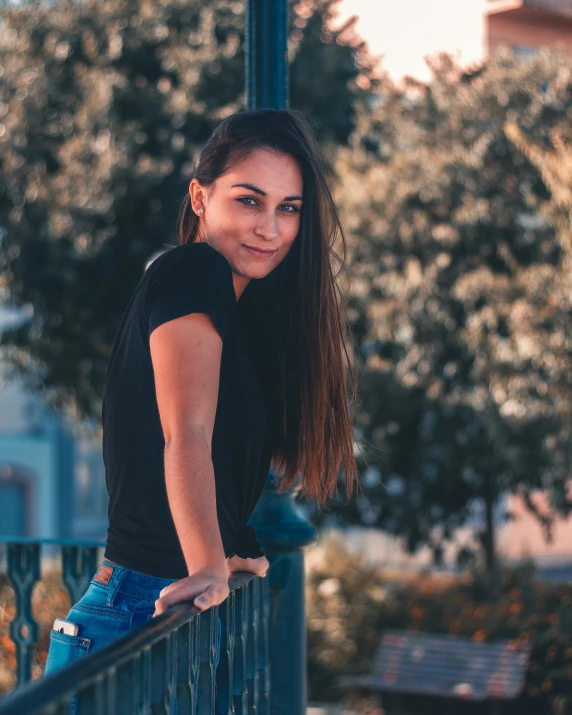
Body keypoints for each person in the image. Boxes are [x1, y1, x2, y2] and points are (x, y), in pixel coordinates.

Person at [43, 107, 359, 713]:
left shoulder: (234, 310)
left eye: (288, 208)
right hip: (136, 615)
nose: (270, 228)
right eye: (249, 200)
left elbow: (215, 443)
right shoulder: (191, 272)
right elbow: (183, 433)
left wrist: (232, 544)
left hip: (159, 612)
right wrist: (210, 566)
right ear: (199, 197)